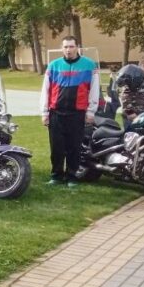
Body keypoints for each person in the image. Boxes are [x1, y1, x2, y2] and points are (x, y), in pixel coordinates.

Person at [40, 35, 99, 187]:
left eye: (71, 46)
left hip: (77, 113)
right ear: (62, 48)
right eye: (65, 47)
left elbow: (94, 90)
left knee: (74, 147)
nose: (68, 50)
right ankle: (56, 175)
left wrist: (91, 111)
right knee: (57, 147)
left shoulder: (89, 65)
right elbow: (45, 90)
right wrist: (44, 113)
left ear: (77, 47)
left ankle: (72, 177)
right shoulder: (54, 65)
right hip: (56, 113)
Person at [118, 54, 144, 121]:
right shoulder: (134, 77)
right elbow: (125, 96)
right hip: (136, 117)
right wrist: (130, 113)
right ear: (143, 65)